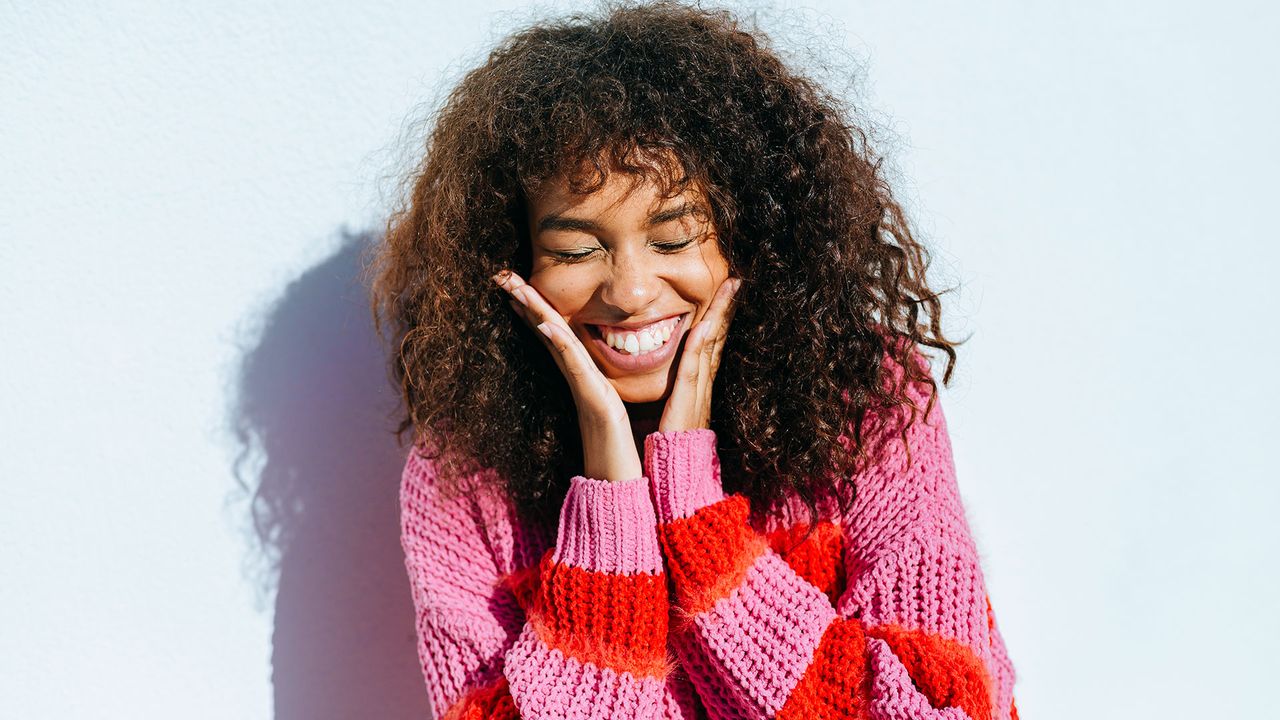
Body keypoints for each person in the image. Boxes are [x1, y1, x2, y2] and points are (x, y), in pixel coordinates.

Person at [365, 2, 1018, 718]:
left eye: (674, 238)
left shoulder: (865, 401)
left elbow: (943, 707)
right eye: (577, 251)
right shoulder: (464, 478)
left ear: (751, 234)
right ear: (514, 263)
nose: (631, 291)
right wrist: (610, 514)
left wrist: (698, 521)